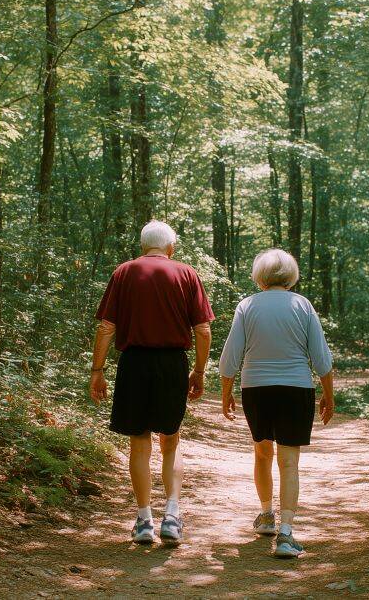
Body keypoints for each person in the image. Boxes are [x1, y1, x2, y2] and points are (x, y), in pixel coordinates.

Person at [89, 220, 214, 546]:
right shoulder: (187, 274)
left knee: (139, 442)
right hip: (172, 363)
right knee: (170, 441)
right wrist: (199, 372)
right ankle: (171, 516)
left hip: (134, 364)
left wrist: (97, 370)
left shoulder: (124, 272)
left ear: (143, 247)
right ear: (170, 247)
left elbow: (106, 327)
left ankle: (144, 521)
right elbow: (203, 330)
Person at [218, 249, 335, 558]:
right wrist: (329, 395)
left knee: (261, 452)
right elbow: (321, 358)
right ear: (290, 274)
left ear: (260, 275)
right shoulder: (302, 305)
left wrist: (226, 392)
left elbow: (230, 357)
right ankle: (285, 533)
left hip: (256, 389)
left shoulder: (247, 306)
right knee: (289, 462)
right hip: (296, 389)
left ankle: (267, 514)